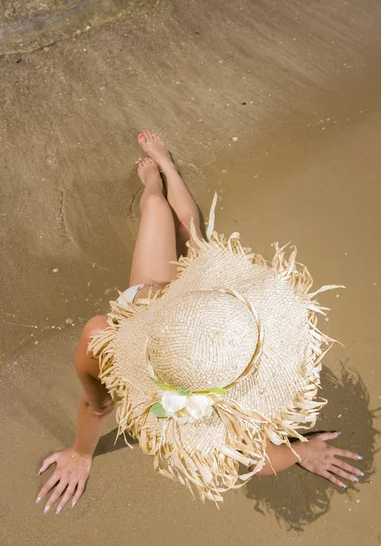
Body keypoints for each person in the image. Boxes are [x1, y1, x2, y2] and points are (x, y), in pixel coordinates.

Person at [36, 131, 363, 514]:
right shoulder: (220, 354)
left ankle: (160, 178)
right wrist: (300, 451)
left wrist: (81, 454)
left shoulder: (104, 335)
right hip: (188, 305)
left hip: (163, 303)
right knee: (180, 226)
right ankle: (161, 173)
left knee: (169, 218)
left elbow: (97, 407)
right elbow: (258, 463)